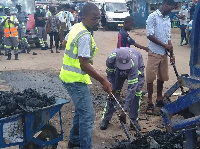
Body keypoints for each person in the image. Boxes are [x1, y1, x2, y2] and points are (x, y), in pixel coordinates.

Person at [59, 3, 112, 149]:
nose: (97, 21)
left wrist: (83, 55)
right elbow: (83, 64)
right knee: (88, 115)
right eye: (94, 18)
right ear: (84, 17)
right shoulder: (84, 35)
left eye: (99, 18)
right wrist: (103, 81)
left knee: (80, 110)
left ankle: (74, 141)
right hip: (75, 79)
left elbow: (65, 43)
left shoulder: (76, 27)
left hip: (68, 76)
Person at [100, 47, 145, 131]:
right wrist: (112, 87)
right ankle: (106, 118)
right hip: (118, 71)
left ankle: (133, 121)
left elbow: (132, 89)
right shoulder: (111, 59)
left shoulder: (133, 63)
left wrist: (125, 110)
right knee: (113, 93)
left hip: (135, 70)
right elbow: (110, 75)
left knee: (136, 92)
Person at [145, 0, 176, 115]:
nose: (171, 11)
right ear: (165, 5)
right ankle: (149, 102)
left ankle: (159, 99)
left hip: (164, 53)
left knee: (162, 77)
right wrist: (164, 45)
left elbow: (168, 36)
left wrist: (171, 52)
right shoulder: (152, 17)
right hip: (154, 52)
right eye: (171, 8)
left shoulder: (167, 19)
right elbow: (150, 35)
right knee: (150, 78)